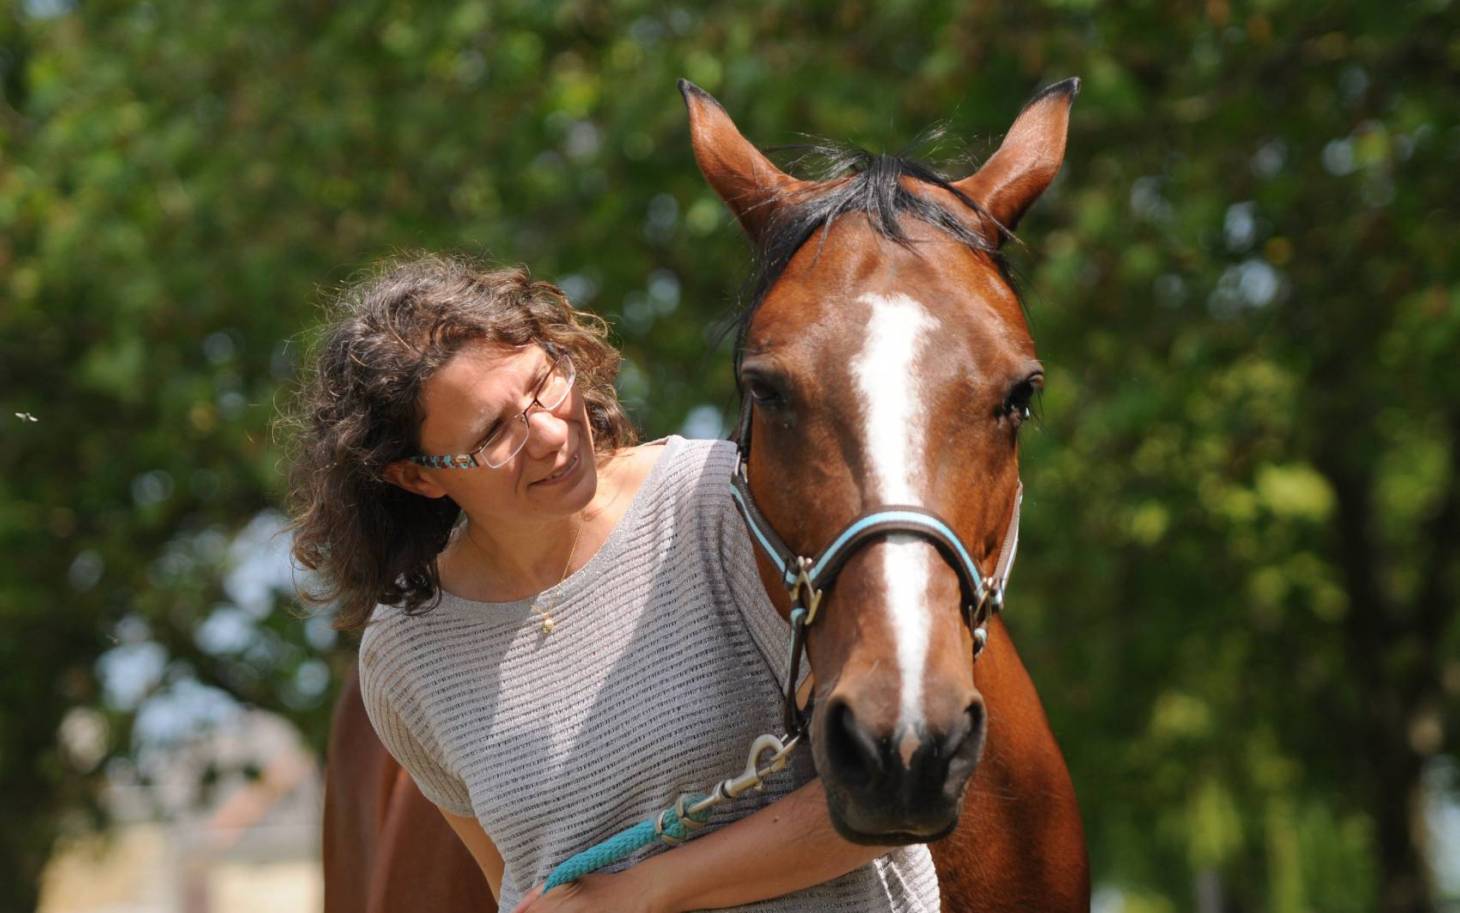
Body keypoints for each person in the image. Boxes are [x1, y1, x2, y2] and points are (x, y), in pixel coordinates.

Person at [286, 253, 940, 912]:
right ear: (419, 476)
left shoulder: (720, 504)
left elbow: (890, 796)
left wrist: (639, 893)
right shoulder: (403, 654)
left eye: (543, 382)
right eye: (493, 432)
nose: (548, 431)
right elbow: (515, 882)